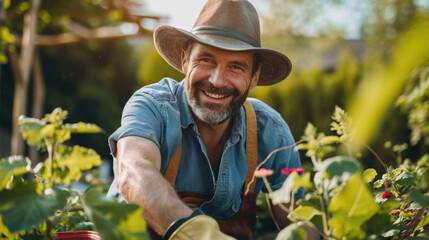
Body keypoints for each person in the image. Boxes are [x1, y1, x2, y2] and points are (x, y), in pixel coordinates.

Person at [107, 0, 307, 239]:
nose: (217, 80)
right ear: (184, 61)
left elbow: (301, 221)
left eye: (235, 67)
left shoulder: (270, 131)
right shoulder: (152, 107)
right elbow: (133, 171)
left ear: (254, 77)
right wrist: (199, 235)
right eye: (206, 60)